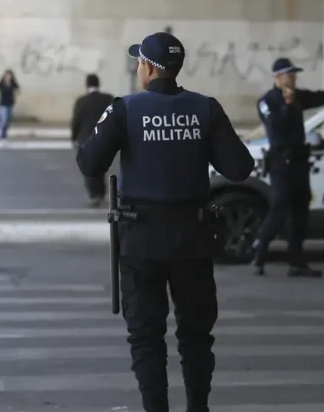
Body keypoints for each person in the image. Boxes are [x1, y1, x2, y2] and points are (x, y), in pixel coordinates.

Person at [76, 32, 254, 412]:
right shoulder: (205, 108)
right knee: (196, 336)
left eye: (138, 61)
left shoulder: (125, 108)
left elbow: (89, 163)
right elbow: (240, 168)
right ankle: (198, 407)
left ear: (149, 67)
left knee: (145, 336)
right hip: (193, 238)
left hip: (141, 240)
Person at [250, 58, 324, 277]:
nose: (293, 78)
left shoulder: (298, 97)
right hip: (281, 164)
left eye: (294, 74)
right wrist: (287, 105)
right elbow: (277, 129)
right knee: (279, 209)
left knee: (300, 213)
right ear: (277, 77)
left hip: (299, 163)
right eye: (289, 74)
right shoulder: (267, 101)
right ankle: (259, 255)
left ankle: (296, 262)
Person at [70, 73, 114, 207]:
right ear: (98, 84)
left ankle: (94, 194)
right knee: (101, 166)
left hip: (86, 138)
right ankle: (101, 192)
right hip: (104, 136)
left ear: (87, 84)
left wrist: (73, 137)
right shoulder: (108, 99)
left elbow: (76, 121)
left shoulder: (81, 101)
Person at [0, 69, 20, 141]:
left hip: (10, 104)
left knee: (8, 120)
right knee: (3, 120)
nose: (8, 77)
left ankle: (5, 131)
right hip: (3, 104)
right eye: (6, 75)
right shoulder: (1, 83)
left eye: (9, 75)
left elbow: (18, 89)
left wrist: (15, 94)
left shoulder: (13, 83)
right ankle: (2, 134)